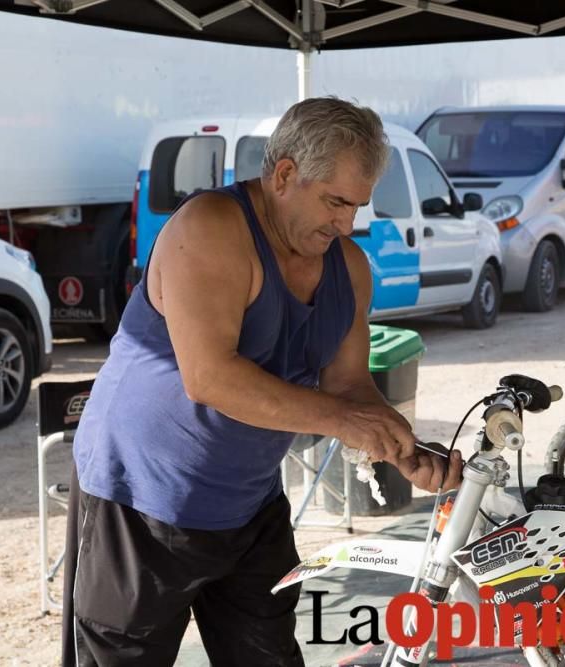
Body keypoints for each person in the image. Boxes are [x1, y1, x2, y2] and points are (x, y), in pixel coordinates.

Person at [60, 97, 464, 666]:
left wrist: (398, 445)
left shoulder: (346, 265)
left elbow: (348, 386)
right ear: (284, 174)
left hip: (248, 503)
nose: (348, 224)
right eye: (336, 202)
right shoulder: (211, 227)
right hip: (141, 496)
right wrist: (348, 422)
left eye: (357, 206)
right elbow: (210, 379)